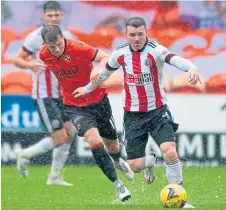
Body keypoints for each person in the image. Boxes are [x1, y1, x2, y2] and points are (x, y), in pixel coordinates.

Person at [73, 17, 202, 208]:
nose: (136, 38)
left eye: (140, 34)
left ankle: (180, 201)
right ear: (126, 35)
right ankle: (151, 161)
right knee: (136, 166)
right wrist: (87, 88)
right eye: (132, 35)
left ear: (146, 33)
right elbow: (104, 74)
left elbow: (175, 59)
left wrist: (191, 68)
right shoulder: (120, 54)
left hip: (158, 111)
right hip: (133, 116)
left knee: (170, 151)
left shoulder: (155, 50)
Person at [39, 24, 133, 201]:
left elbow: (106, 57)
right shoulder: (43, 55)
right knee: (93, 139)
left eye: (59, 44)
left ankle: (117, 160)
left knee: (113, 146)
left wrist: (97, 69)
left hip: (99, 101)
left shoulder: (78, 47)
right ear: (45, 45)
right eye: (52, 47)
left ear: (63, 38)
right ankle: (118, 186)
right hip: (74, 106)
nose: (57, 49)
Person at [13, 1, 76, 186]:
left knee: (69, 133)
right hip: (44, 94)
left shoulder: (68, 36)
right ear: (43, 16)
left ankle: (54, 176)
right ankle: (25, 154)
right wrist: (31, 65)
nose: (54, 18)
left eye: (57, 15)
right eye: (50, 15)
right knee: (60, 137)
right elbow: (17, 60)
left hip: (63, 95)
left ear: (61, 16)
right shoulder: (34, 37)